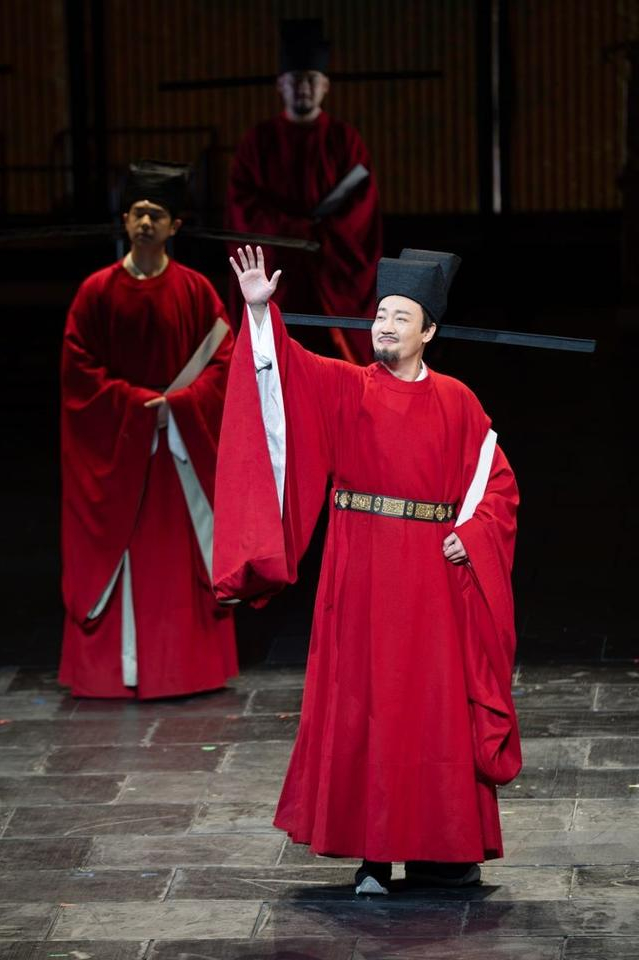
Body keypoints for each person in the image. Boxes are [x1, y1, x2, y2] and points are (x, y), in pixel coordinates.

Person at [213, 245, 521, 893]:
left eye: (400, 317)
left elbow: (496, 486)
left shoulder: (458, 400)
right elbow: (283, 371)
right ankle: (373, 856)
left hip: (431, 578)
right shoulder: (349, 386)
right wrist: (260, 312)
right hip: (361, 571)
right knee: (366, 706)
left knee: (431, 709)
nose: (384, 325)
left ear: (428, 331)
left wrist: (472, 534)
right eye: (380, 314)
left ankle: (443, 851)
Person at [59, 160, 237, 699]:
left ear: (174, 225)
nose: (144, 223)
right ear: (124, 219)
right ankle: (119, 673)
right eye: (137, 213)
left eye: (156, 215)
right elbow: (78, 371)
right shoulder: (95, 292)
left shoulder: (196, 291)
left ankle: (185, 668)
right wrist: (138, 406)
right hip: (122, 448)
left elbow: (223, 362)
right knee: (126, 546)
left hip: (178, 450)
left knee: (175, 557)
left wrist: (179, 405)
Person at [224, 19, 382, 364]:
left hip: (329, 266)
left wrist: (320, 234)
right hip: (278, 268)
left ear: (325, 86)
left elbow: (361, 210)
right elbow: (243, 207)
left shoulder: (344, 140)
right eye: (295, 80)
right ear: (280, 85)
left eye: (311, 80)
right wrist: (291, 230)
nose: (303, 88)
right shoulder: (258, 142)